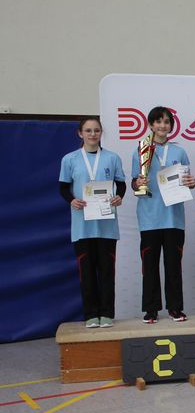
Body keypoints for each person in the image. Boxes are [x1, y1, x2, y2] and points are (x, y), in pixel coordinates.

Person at [131, 106, 195, 323]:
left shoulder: (179, 152)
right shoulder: (141, 149)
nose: (162, 126)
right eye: (158, 122)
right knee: (149, 267)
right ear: (150, 125)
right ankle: (151, 310)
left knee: (173, 266)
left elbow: (187, 181)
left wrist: (192, 182)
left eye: (167, 122)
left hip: (174, 219)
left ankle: (175, 308)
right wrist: (137, 182)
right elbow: (134, 182)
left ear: (171, 126)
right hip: (149, 217)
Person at [59, 118, 125, 328]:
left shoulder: (112, 158)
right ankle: (90, 315)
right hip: (82, 226)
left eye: (96, 130)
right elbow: (63, 187)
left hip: (106, 225)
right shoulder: (69, 159)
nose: (92, 134)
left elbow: (121, 184)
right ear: (80, 133)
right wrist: (72, 200)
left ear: (101, 133)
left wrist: (118, 197)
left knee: (107, 272)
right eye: (88, 131)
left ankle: (106, 314)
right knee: (86, 274)